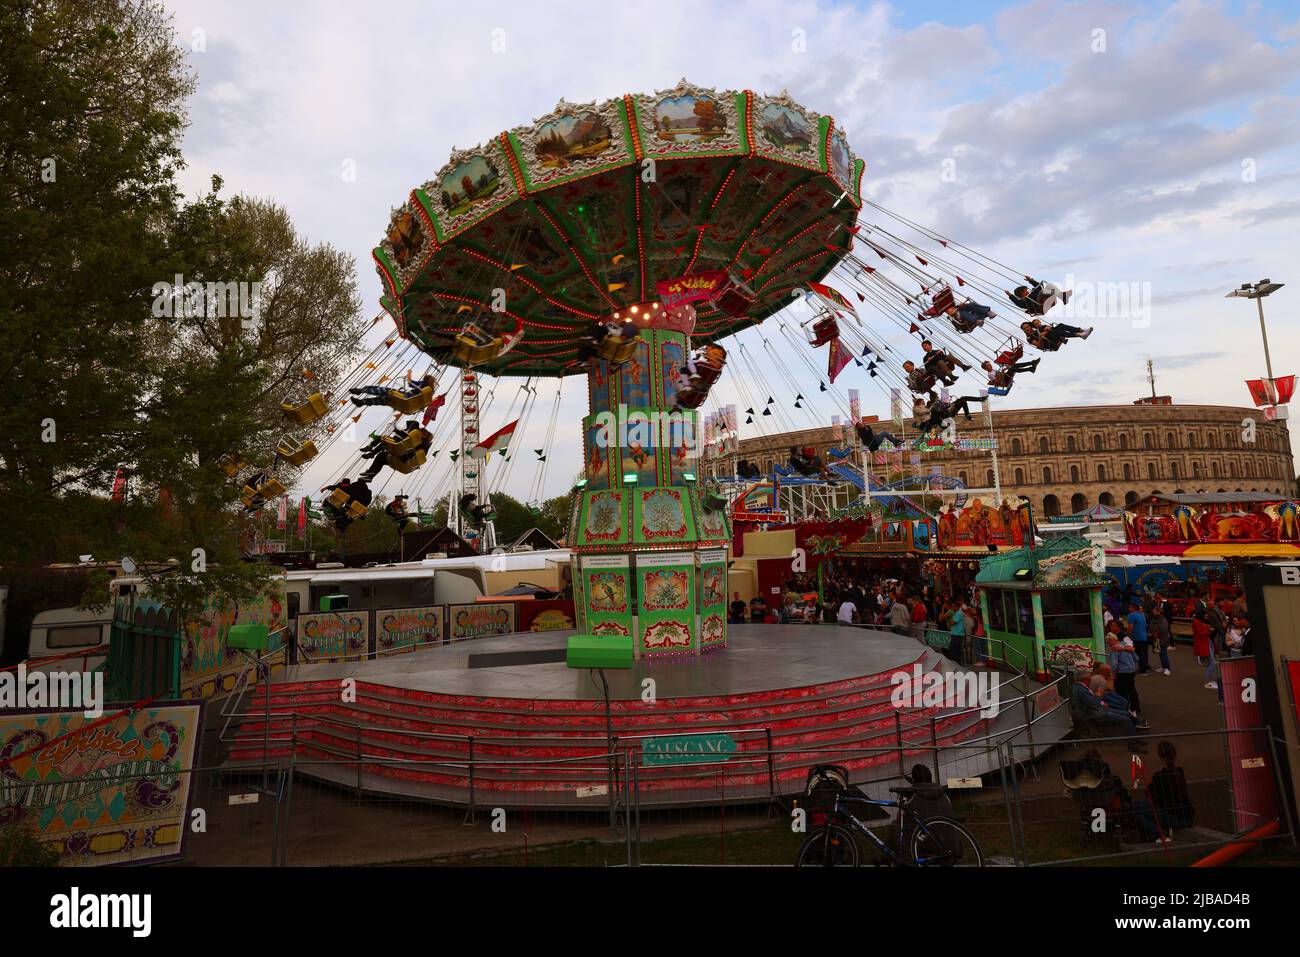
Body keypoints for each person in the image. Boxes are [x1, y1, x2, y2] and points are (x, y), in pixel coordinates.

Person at [1107, 628, 1144, 725]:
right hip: (1131, 671)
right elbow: (1136, 658)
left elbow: (1114, 663)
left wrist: (1113, 674)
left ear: (1112, 640)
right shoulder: (1126, 645)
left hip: (1122, 673)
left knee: (1121, 692)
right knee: (1132, 689)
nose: (1108, 644)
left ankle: (1124, 710)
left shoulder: (1115, 648)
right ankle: (1135, 707)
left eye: (1108, 642)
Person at [350, 372, 436, 407]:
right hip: (407, 401)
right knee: (384, 400)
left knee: (384, 391)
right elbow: (410, 383)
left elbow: (409, 382)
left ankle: (362, 391)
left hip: (406, 397)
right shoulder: (429, 392)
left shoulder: (424, 385)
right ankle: (361, 402)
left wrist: (409, 373)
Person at [1005, 278, 1070, 315]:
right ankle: (1062, 295)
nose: (1028, 291)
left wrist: (1030, 280)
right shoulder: (1025, 301)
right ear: (1022, 293)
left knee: (1048, 287)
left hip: (1046, 301)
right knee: (1041, 291)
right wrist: (1010, 295)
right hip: (1039, 306)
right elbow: (1018, 303)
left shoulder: (1033, 293)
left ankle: (1062, 296)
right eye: (1026, 290)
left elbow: (1038, 287)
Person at [1020, 319, 1092, 351]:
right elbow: (1039, 345)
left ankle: (1082, 331)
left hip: (1051, 335)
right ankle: (1080, 335)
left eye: (1027, 326)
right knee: (1056, 332)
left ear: (1030, 326)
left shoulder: (1037, 329)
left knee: (1060, 326)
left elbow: (1044, 329)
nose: (1027, 328)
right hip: (1049, 343)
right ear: (1023, 330)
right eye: (1024, 328)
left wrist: (1048, 328)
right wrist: (1040, 336)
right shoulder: (1029, 338)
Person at [1192, 611, 1217, 689]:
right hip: (1204, 643)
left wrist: (1207, 627)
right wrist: (1210, 630)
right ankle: (1207, 682)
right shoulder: (1197, 622)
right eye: (1205, 616)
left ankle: (1209, 680)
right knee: (1212, 662)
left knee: (1210, 662)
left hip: (1206, 642)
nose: (1207, 617)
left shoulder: (1198, 621)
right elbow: (1201, 633)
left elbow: (1202, 629)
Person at [1126, 601, 1150, 674]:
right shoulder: (1142, 615)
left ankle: (1142, 670)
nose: (1128, 608)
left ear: (1133, 608)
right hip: (1144, 637)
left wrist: (1128, 635)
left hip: (1137, 637)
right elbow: (1145, 625)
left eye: (1130, 607)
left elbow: (1130, 627)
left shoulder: (1131, 615)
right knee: (1144, 654)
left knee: (1137, 654)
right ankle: (1144, 667)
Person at [1149, 604, 1173, 675]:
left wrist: (1155, 633)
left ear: (1158, 612)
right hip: (1157, 639)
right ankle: (1163, 667)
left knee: (1163, 654)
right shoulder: (1154, 619)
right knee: (1161, 653)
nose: (1153, 611)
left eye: (1154, 611)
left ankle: (1167, 669)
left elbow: (1164, 629)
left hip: (1162, 639)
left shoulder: (1163, 620)